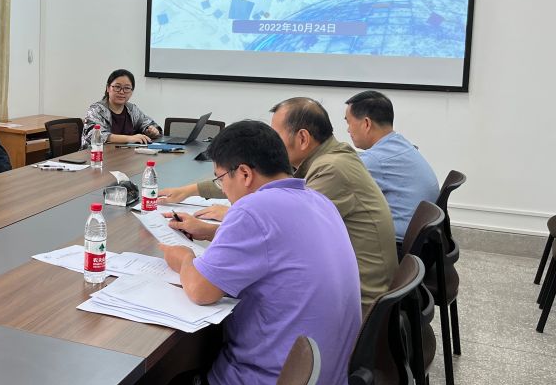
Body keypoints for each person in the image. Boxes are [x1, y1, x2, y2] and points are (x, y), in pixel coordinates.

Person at [138, 120, 360, 385]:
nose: (223, 190)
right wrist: (213, 233)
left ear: (244, 173)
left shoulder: (253, 210)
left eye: (221, 179)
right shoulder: (318, 200)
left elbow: (201, 290)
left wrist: (183, 258)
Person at [163, 98, 397, 313]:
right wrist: (210, 229)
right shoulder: (313, 186)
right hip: (339, 309)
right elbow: (276, 236)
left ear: (302, 138)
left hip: (360, 303)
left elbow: (202, 290)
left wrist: (185, 258)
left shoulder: (330, 170)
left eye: (275, 134)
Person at [344, 90, 440, 241]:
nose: (348, 129)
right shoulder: (401, 144)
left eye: (348, 122)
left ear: (366, 124)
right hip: (421, 240)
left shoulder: (375, 160)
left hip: (397, 243)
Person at [82, 69, 162, 146]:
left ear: (131, 91)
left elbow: (147, 123)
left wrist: (152, 130)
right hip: (97, 153)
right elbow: (95, 135)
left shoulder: (132, 109)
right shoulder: (96, 110)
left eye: (127, 88)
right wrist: (129, 138)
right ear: (108, 88)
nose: (121, 92)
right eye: (117, 87)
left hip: (124, 153)